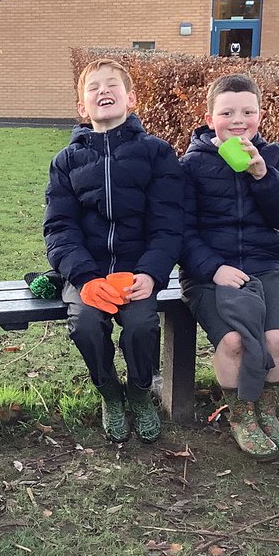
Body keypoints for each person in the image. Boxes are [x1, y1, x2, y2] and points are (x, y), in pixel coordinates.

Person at [44, 59, 185, 444]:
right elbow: (59, 227)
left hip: (137, 272)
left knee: (141, 325)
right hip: (87, 273)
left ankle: (139, 392)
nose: (103, 91)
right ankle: (108, 391)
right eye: (93, 87)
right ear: (82, 106)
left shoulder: (157, 153)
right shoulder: (66, 161)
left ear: (131, 99)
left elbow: (168, 223)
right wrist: (84, 277)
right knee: (86, 325)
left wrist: (151, 272)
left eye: (112, 85)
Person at [178, 73, 279, 461]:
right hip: (210, 273)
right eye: (227, 113)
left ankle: (267, 411)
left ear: (259, 116)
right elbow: (179, 231)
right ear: (210, 118)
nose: (238, 120)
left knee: (277, 339)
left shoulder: (273, 157)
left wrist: (262, 175)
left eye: (248, 112)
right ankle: (242, 416)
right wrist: (213, 268)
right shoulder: (191, 165)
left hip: (264, 265)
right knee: (233, 342)